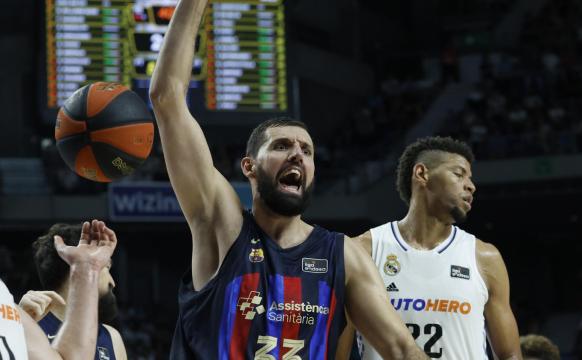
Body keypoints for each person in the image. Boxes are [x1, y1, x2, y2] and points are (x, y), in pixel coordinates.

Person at [149, 1, 427, 359]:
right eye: (282, 146)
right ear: (248, 166)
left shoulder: (342, 254)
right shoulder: (223, 227)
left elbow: (402, 349)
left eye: (307, 151)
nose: (297, 154)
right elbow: (166, 97)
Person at [339, 136, 522, 359]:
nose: (471, 186)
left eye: (470, 178)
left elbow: (510, 355)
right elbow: (339, 351)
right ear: (422, 174)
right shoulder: (363, 251)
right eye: (458, 174)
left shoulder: (485, 257)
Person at [0, 219, 117, 359]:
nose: (113, 282)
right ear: (70, 266)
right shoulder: (25, 321)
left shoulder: (111, 336)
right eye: (107, 268)